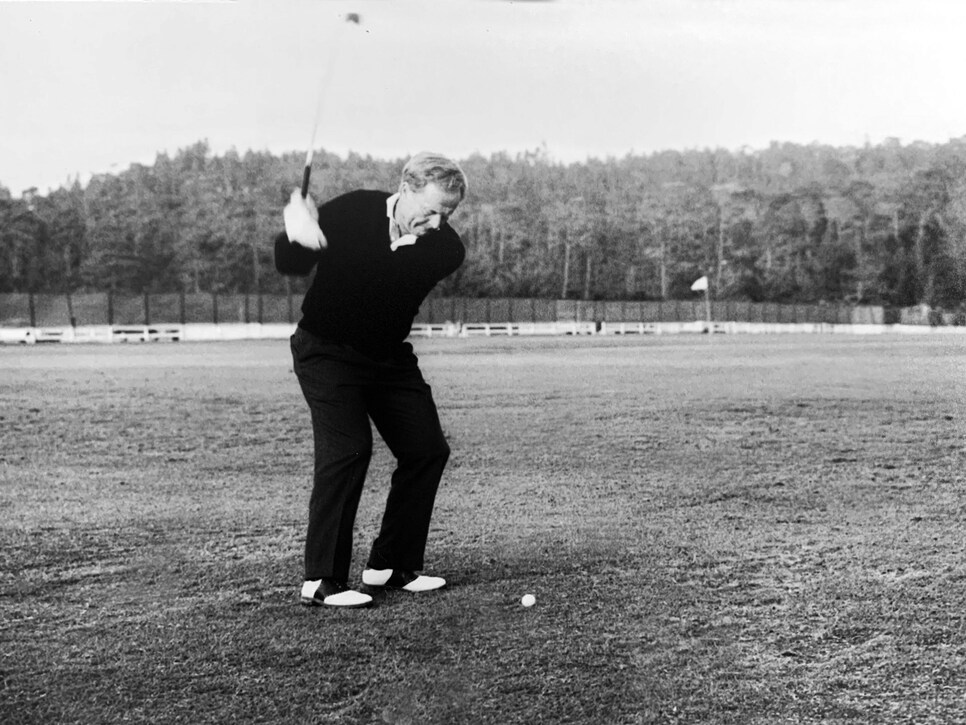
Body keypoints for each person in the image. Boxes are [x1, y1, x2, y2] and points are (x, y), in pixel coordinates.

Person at [274, 152, 467, 608]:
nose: (438, 222)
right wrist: (297, 236)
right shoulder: (355, 208)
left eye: (448, 214)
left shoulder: (443, 249)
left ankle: (390, 565)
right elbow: (291, 265)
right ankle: (321, 580)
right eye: (432, 209)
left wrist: (318, 240)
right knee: (349, 448)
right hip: (325, 350)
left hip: (386, 358)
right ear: (406, 188)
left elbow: (377, 281)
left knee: (426, 450)